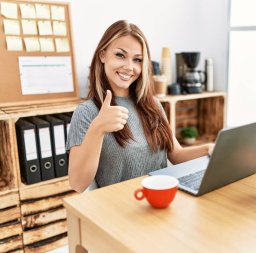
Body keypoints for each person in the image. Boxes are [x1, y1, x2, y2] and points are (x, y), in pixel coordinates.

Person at [66, 20, 214, 193]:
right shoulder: (86, 113)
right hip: (122, 210)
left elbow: (177, 155)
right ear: (103, 55)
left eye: (137, 60)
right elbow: (78, 184)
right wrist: (97, 128)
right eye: (120, 55)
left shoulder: (153, 105)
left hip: (161, 200)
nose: (129, 67)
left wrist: (208, 149)